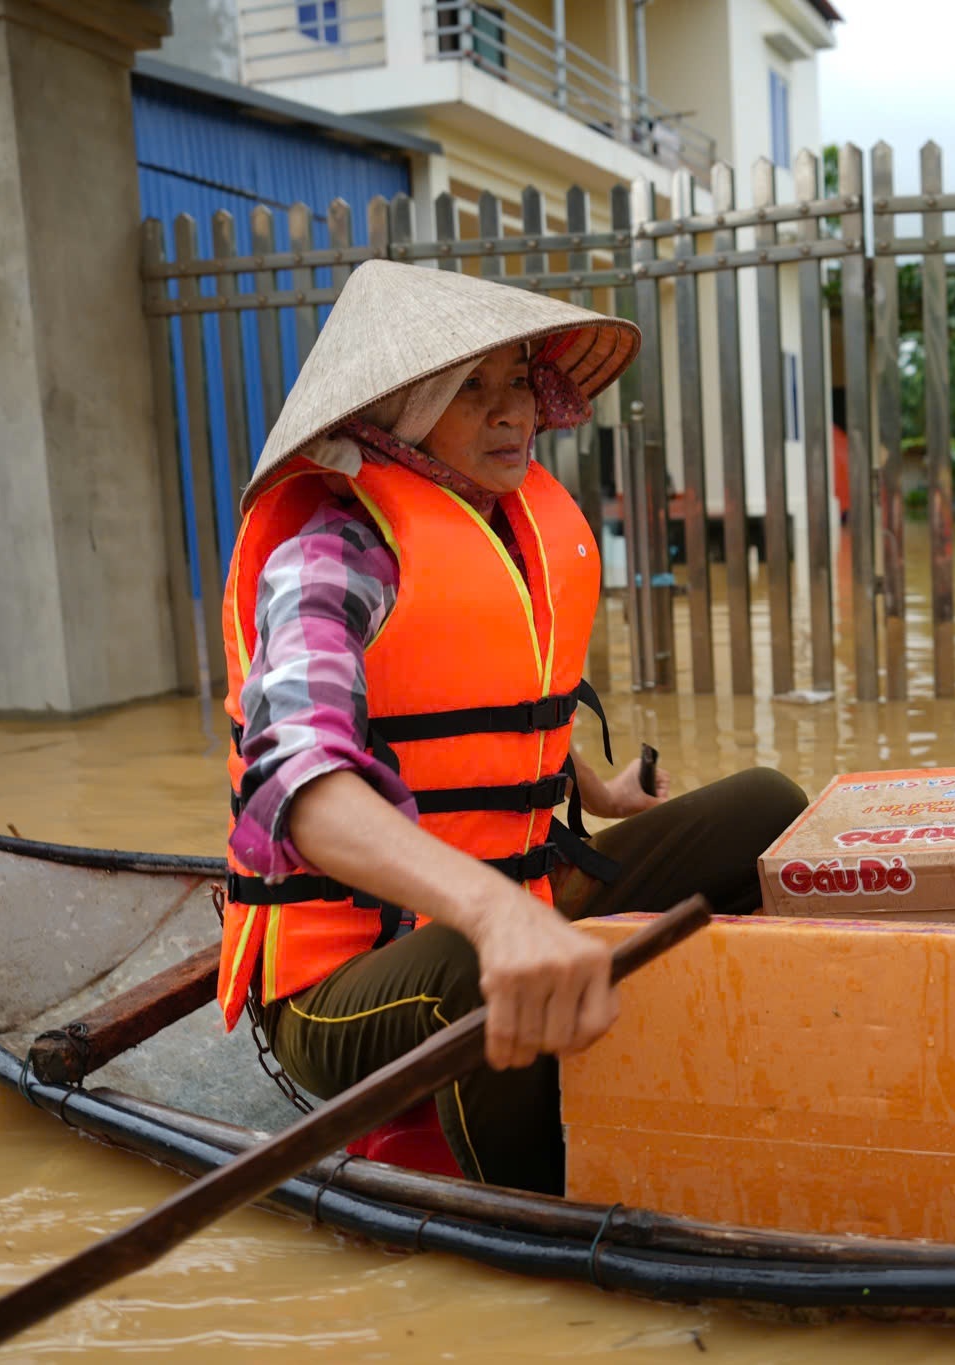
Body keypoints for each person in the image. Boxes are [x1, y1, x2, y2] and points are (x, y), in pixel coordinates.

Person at [214, 260, 807, 1195]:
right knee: (469, 960)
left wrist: (597, 793)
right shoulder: (331, 551)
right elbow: (297, 785)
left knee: (768, 806)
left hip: (512, 895)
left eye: (519, 379)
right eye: (471, 389)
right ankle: (538, 1205)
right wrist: (493, 914)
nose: (513, 412)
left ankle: (717, 1067)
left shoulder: (505, 521)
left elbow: (486, 695)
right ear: (400, 415)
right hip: (341, 984)